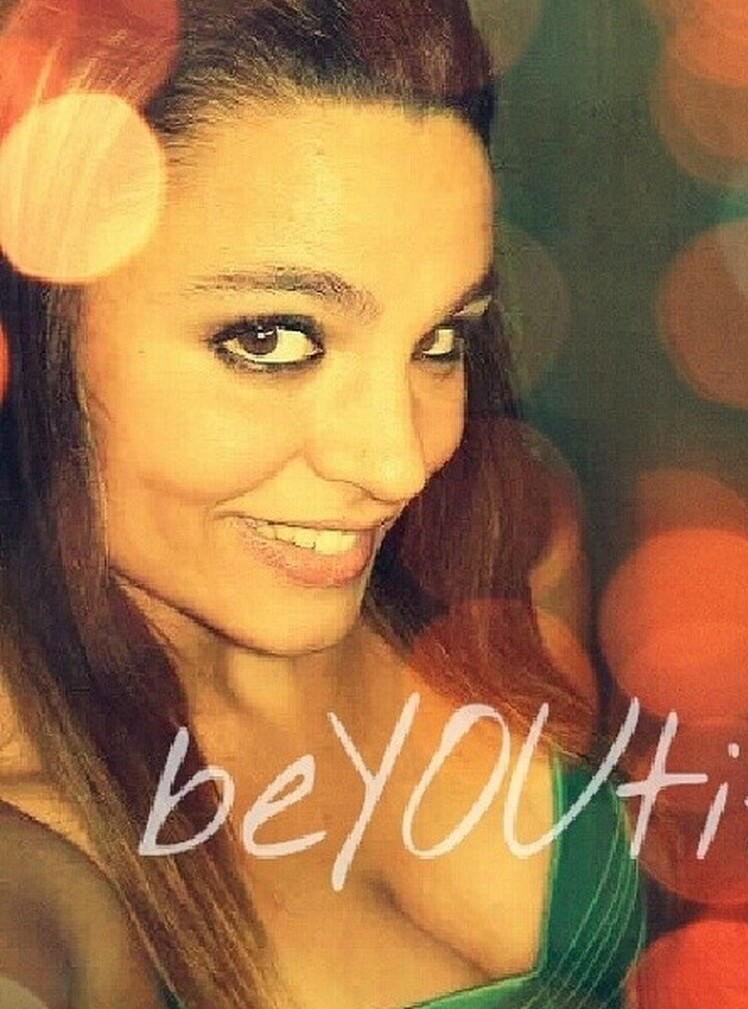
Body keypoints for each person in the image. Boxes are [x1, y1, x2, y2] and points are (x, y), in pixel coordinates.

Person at [0, 1, 644, 1007]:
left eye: (440, 339)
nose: (400, 463)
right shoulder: (33, 870)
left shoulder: (496, 564)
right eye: (271, 338)